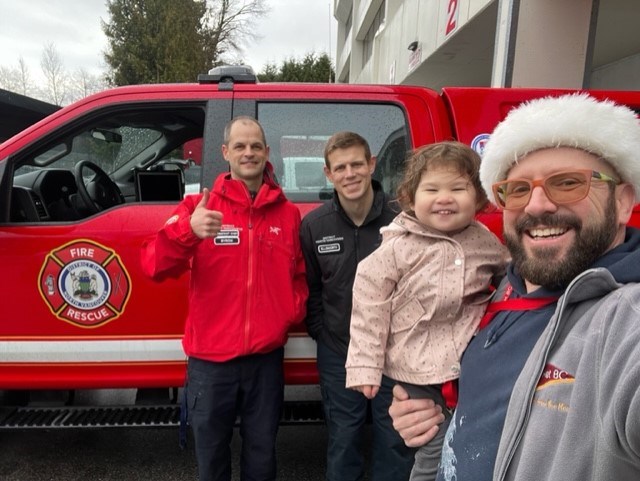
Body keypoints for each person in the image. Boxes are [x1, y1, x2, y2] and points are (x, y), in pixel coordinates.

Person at [389, 93, 640, 481]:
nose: (537, 205)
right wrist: (435, 414)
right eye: (518, 189)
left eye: (568, 182)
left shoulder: (625, 321)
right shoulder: (500, 291)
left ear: (623, 201)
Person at [141, 116, 308, 481]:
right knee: (212, 459)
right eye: (240, 146)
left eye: (255, 146)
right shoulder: (198, 208)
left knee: (262, 457)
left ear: (266, 153)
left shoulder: (288, 214)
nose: (248, 153)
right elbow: (153, 264)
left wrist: (286, 313)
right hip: (210, 363)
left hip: (265, 361)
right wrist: (188, 231)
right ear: (225, 153)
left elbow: (298, 275)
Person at [345, 141, 509, 481]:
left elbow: (511, 277)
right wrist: (365, 364)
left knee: (468, 437)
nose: (444, 197)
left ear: (479, 199)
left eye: (458, 188)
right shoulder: (400, 245)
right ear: (411, 198)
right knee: (432, 444)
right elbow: (369, 303)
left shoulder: (484, 240)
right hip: (416, 363)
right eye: (431, 189)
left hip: (467, 364)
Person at [300, 131, 415, 480]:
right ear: (328, 174)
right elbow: (313, 289)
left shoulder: (403, 220)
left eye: (355, 164)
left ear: (371, 165)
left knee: (394, 439)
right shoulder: (315, 226)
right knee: (343, 437)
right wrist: (324, 334)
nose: (349, 174)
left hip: (394, 351)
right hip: (340, 352)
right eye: (340, 168)